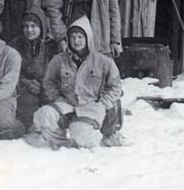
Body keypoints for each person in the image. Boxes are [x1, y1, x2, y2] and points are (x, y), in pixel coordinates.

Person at [30, 16, 123, 149]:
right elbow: (49, 82)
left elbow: (116, 86)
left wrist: (103, 103)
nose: (76, 40)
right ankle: (62, 142)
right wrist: (58, 98)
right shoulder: (59, 60)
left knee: (80, 133)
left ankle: (99, 137)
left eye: (80, 37)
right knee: (43, 115)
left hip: (91, 107)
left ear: (88, 38)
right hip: (67, 104)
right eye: (73, 37)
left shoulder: (104, 61)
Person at [10, 7, 56, 129]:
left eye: (33, 26)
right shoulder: (15, 45)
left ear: (41, 27)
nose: (29, 30)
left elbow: (57, 73)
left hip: (47, 89)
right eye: (26, 26)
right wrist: (25, 82)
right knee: (27, 104)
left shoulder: (51, 46)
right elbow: (10, 72)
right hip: (26, 90)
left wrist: (43, 84)